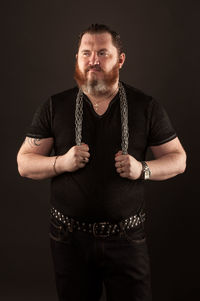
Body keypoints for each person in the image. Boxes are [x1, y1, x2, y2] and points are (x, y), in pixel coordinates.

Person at [17, 24, 186, 301]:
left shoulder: (146, 106)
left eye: (102, 53)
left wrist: (142, 169)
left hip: (127, 238)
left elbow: (179, 159)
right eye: (86, 53)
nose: (93, 60)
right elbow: (24, 163)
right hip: (69, 238)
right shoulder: (54, 106)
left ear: (120, 59)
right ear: (77, 58)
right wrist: (61, 162)